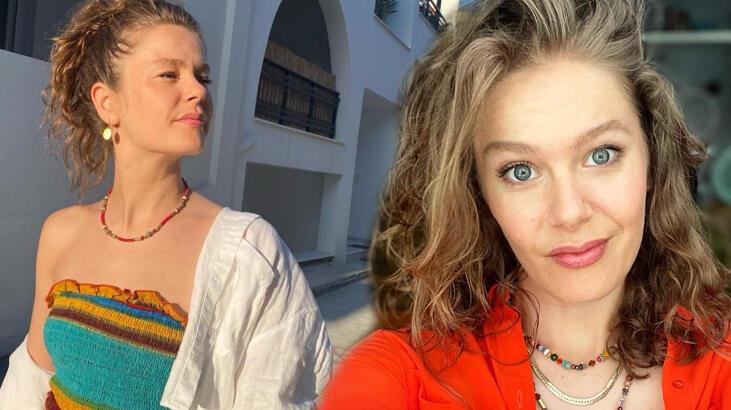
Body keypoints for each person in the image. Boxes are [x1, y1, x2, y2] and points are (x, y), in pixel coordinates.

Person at [320, 0, 730, 408]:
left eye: (601, 154)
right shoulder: (398, 378)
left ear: (652, 161)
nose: (569, 213)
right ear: (479, 194)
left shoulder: (721, 363)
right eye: (520, 171)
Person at [0, 1, 331, 408]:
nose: (199, 91)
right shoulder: (61, 233)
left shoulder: (247, 253)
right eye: (169, 74)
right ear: (107, 102)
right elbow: (30, 381)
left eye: (202, 76)